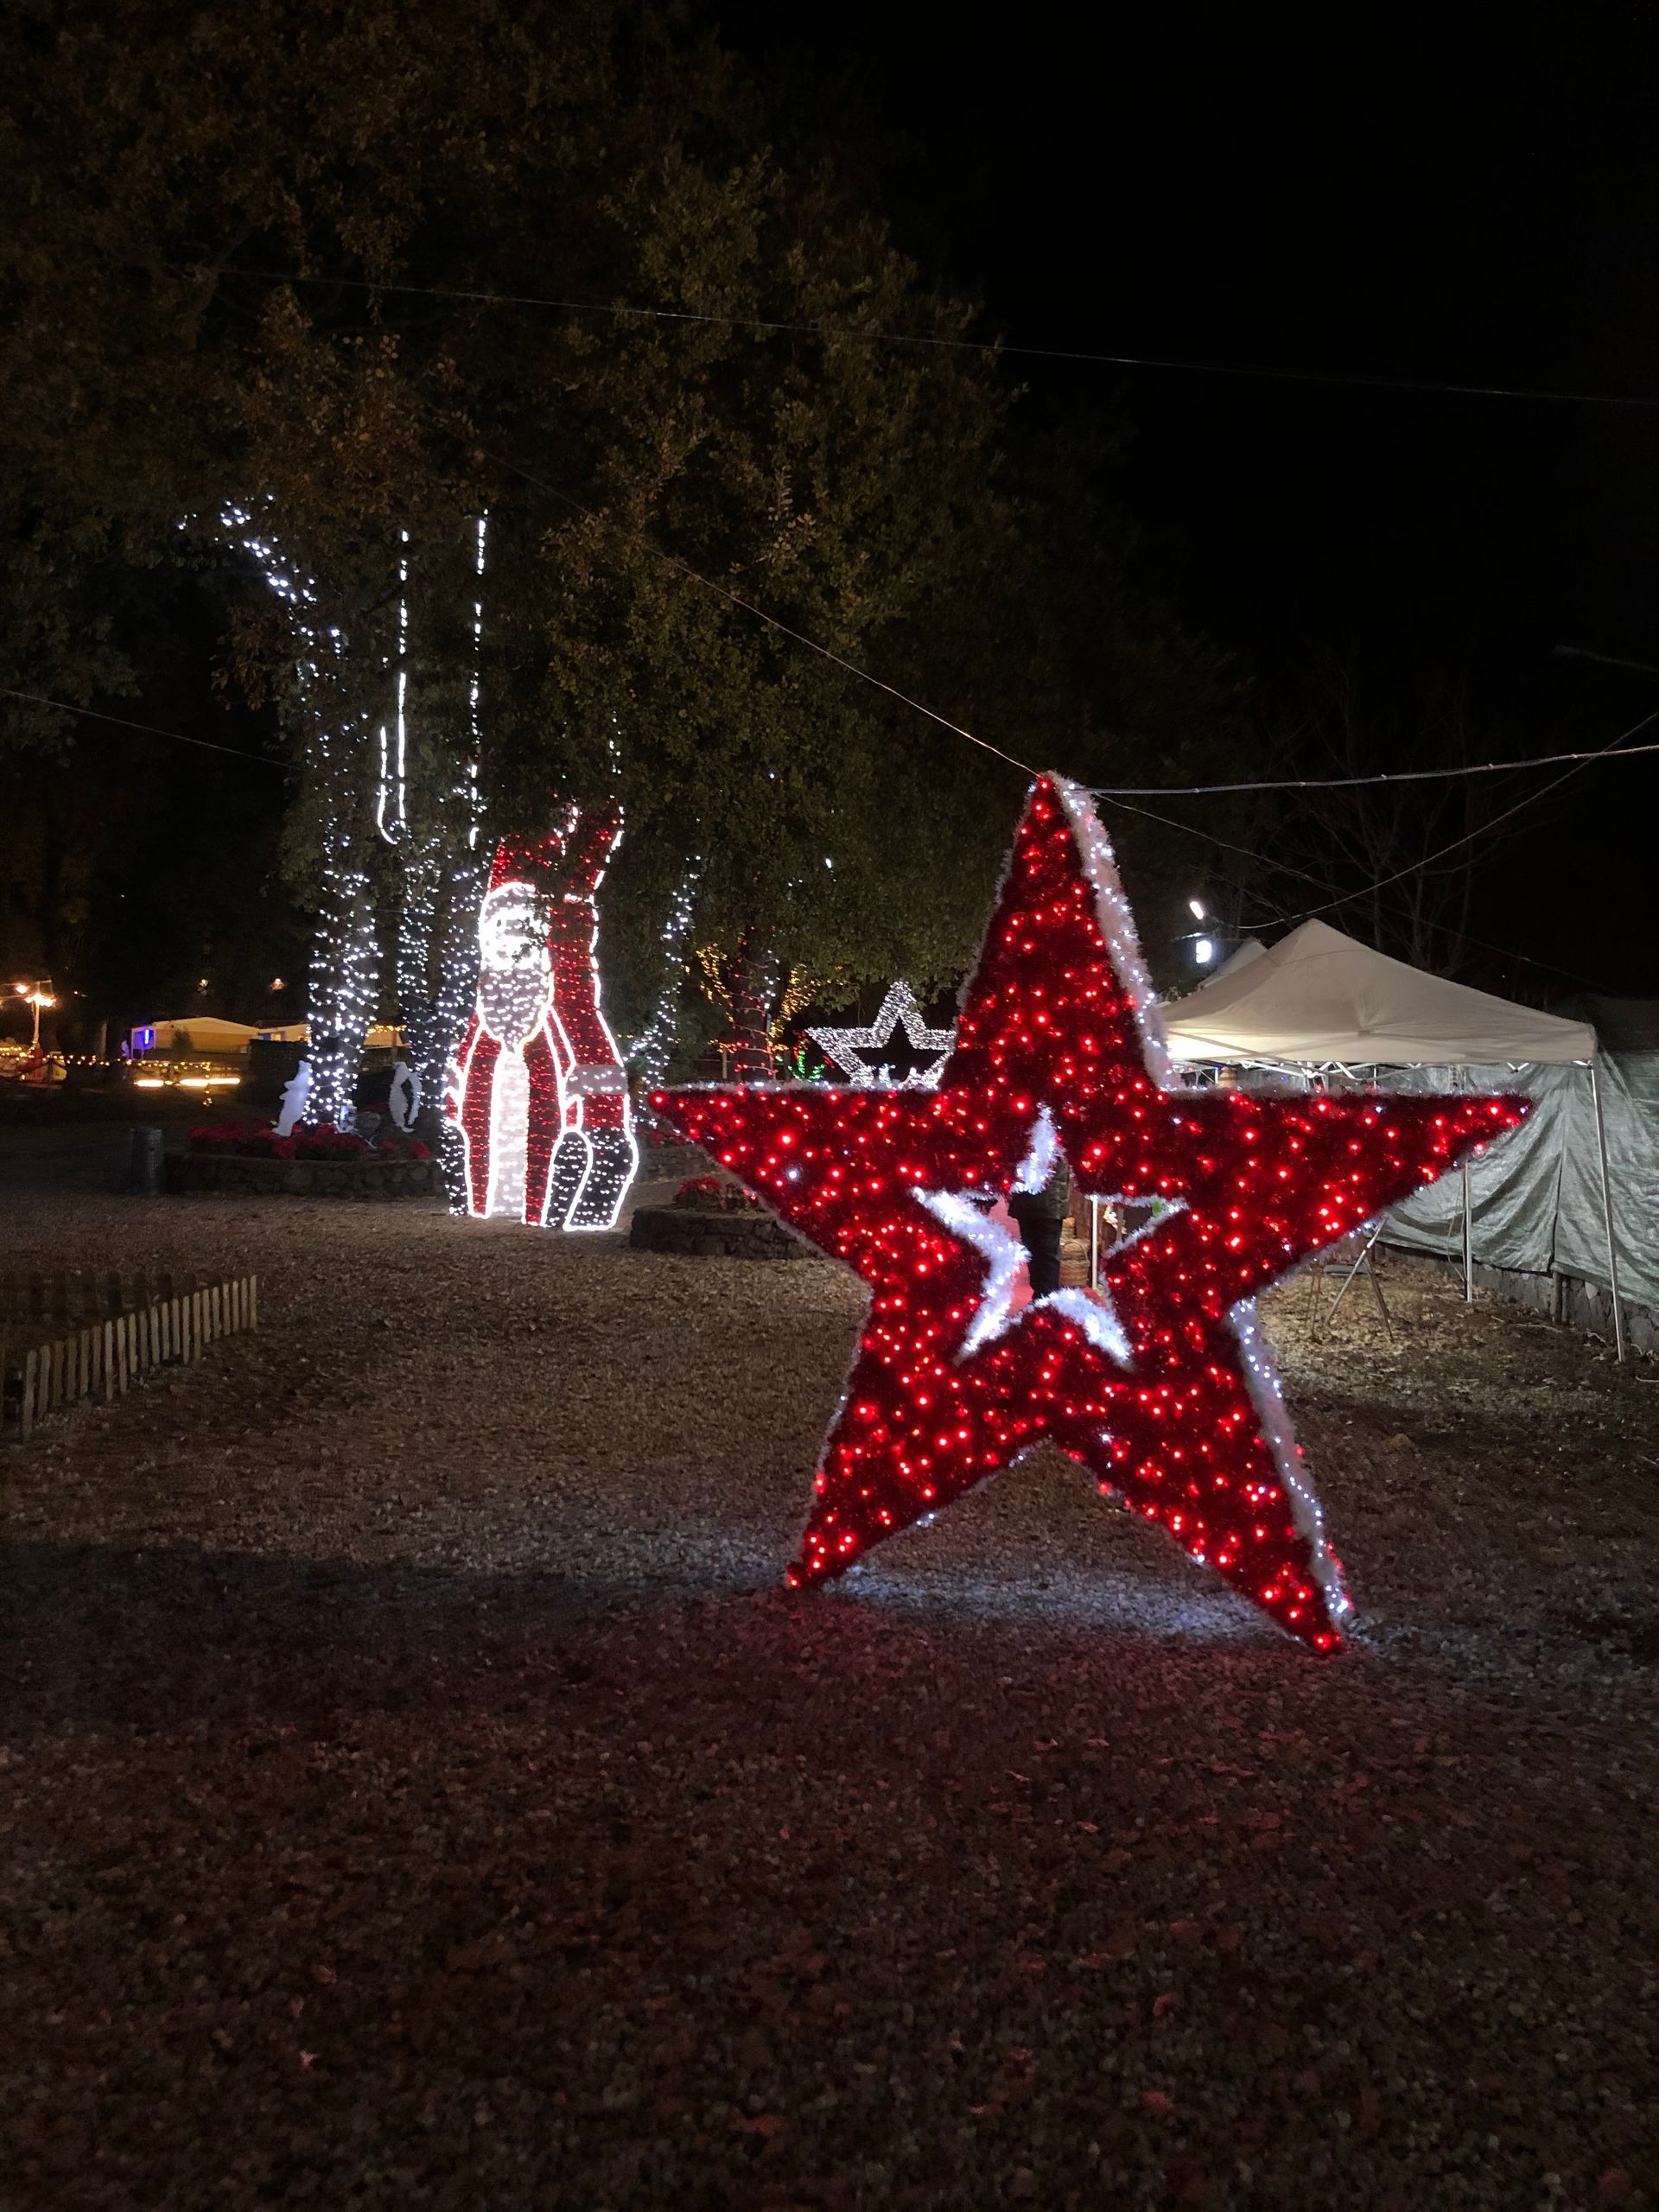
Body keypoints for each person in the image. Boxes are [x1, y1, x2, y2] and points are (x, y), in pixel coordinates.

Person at [1007, 1153, 1071, 1300]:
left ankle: (1048, 1301)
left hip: (1048, 1201)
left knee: (1045, 1255)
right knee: (1034, 1253)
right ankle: (1041, 1299)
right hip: (1027, 1199)